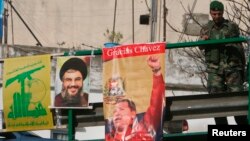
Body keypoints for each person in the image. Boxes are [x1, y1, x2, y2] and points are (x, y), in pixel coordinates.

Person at [199, 0, 247, 124]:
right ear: (210, 13)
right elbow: (201, 46)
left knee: (238, 101)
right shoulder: (206, 28)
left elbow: (234, 41)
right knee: (216, 103)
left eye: (219, 14)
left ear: (223, 13)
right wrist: (203, 40)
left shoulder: (231, 26)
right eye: (214, 14)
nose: (217, 17)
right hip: (215, 69)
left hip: (232, 67)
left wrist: (212, 38)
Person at [105, 55, 165, 141]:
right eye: (114, 111)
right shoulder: (109, 137)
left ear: (133, 113)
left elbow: (156, 104)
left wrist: (156, 71)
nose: (116, 114)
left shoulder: (143, 129)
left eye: (121, 109)